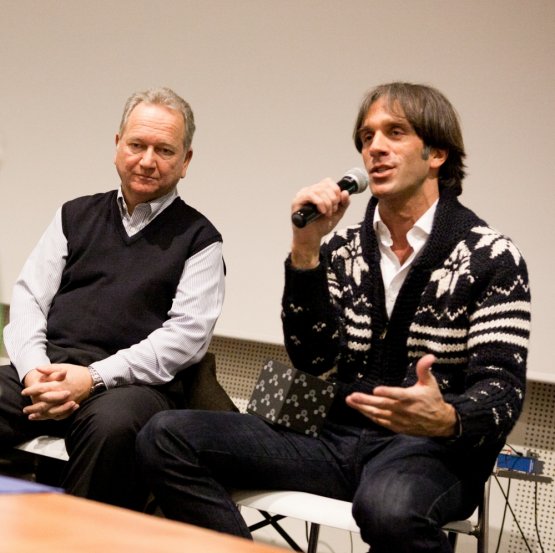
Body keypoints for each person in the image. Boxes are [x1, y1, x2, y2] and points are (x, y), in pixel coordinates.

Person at [136, 83, 531, 552]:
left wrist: (446, 417)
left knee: (388, 509)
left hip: (427, 446)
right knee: (164, 437)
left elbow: (502, 390)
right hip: (332, 435)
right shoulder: (342, 251)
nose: (375, 148)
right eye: (366, 138)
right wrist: (306, 251)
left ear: (437, 153)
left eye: (395, 132)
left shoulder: (490, 256)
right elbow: (312, 362)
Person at [0, 87, 227, 510]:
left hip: (131, 388)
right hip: (49, 369)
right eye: (137, 144)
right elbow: (29, 299)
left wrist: (93, 378)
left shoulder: (200, 240)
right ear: (117, 145)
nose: (146, 160)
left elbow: (185, 339)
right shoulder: (74, 214)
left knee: (114, 430)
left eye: (164, 149)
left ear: (186, 162)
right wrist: (33, 372)